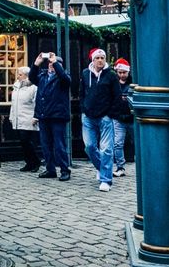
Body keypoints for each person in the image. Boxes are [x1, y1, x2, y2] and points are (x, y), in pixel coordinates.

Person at [79, 48, 121, 192]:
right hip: (88, 116)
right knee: (89, 146)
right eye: (98, 58)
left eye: (103, 58)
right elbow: (82, 93)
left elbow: (117, 96)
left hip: (105, 117)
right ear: (93, 59)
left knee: (107, 149)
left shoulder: (111, 76)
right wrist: (83, 109)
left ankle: (106, 180)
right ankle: (101, 168)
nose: (100, 60)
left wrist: (109, 114)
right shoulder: (85, 74)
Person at [29, 52, 71, 181]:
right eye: (50, 64)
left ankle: (65, 170)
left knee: (59, 145)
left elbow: (65, 79)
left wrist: (56, 63)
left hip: (57, 116)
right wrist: (36, 64)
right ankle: (50, 169)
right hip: (44, 115)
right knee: (45, 144)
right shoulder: (42, 76)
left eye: (54, 64)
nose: (51, 66)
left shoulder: (63, 77)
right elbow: (32, 78)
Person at [9, 66, 40, 172]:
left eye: (20, 74)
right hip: (18, 117)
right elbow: (13, 103)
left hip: (28, 118)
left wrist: (36, 116)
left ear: (26, 76)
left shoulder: (33, 87)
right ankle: (29, 162)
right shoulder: (16, 86)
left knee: (27, 141)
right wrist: (11, 116)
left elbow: (37, 103)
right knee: (23, 142)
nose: (18, 76)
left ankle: (35, 162)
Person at [113, 58, 133, 177]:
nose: (121, 75)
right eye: (119, 72)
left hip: (131, 117)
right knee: (118, 143)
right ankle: (120, 167)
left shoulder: (132, 84)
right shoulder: (114, 84)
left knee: (137, 141)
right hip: (119, 117)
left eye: (124, 72)